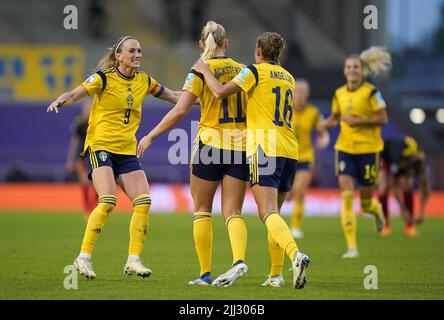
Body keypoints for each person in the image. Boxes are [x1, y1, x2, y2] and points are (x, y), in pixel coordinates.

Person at [47, 36, 182, 279]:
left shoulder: (144, 80)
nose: (138, 54)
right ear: (118, 56)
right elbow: (76, 93)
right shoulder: (103, 78)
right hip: (101, 146)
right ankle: (83, 258)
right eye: (132, 51)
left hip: (126, 150)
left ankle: (133, 259)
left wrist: (203, 98)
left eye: (140, 50)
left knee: (143, 201)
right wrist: (61, 100)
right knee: (108, 200)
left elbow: (173, 95)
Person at [194, 32, 311, 289]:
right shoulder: (289, 77)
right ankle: (275, 275)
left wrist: (204, 70)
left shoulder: (254, 72)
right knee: (275, 213)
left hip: (264, 146)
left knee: (267, 211)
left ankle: (296, 255)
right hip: (290, 148)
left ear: (259, 51)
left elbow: (220, 92)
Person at [137, 21, 249, 287]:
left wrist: (151, 135)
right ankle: (238, 260)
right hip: (240, 147)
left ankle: (205, 274)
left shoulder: (199, 70)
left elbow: (179, 111)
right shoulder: (245, 70)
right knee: (233, 212)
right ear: (227, 43)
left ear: (202, 44)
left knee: (202, 210)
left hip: (210, 146)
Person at [321, 46, 391, 258]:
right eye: (348, 67)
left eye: (355, 67)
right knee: (347, 194)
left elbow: (383, 118)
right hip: (344, 149)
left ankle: (376, 210)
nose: (352, 70)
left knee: (366, 202)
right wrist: (322, 126)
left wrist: (360, 121)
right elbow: (335, 117)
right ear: (344, 71)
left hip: (368, 150)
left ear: (362, 70)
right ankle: (352, 247)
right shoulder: (339, 94)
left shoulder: (372, 92)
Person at [288, 79, 329, 239]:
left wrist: (324, 138)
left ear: (307, 95)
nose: (299, 95)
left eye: (303, 92)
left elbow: (322, 131)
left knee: (300, 191)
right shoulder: (285, 108)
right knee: (288, 193)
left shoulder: (312, 112)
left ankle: (296, 227)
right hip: (287, 155)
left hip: (305, 156)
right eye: (297, 91)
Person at [378, 136, 430, 237]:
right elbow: (394, 186)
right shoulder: (397, 157)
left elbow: (425, 186)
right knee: (383, 189)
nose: (411, 175)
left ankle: (409, 227)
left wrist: (422, 213)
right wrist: (402, 208)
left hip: (403, 159)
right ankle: (386, 225)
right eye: (410, 173)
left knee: (408, 186)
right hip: (387, 157)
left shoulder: (421, 160)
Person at [65, 97, 98, 219]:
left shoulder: (96, 122)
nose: (87, 111)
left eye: (89, 108)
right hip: (81, 157)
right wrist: (70, 160)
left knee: (97, 185)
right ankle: (87, 208)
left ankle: (94, 207)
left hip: (94, 156)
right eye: (85, 108)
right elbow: (74, 143)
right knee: (84, 182)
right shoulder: (79, 124)